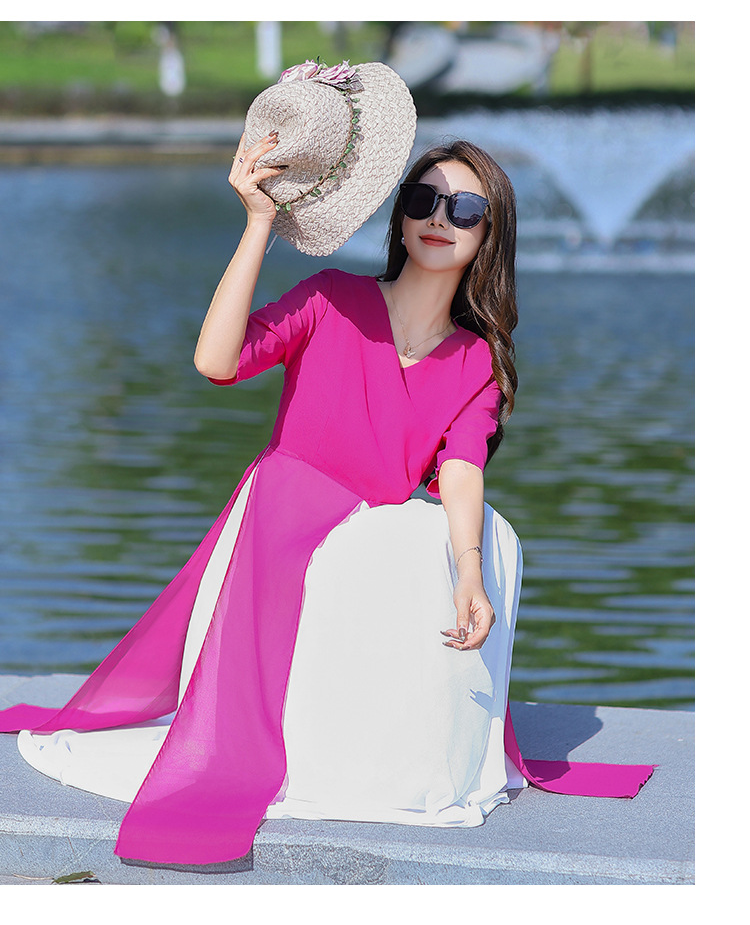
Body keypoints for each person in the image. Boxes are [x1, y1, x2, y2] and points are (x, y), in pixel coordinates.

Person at [0, 61, 654, 868]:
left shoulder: (477, 360)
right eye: (422, 201)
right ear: (399, 217)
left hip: (375, 520)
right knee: (280, 530)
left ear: (491, 234)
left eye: (465, 209)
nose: (439, 218)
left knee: (472, 538)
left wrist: (468, 569)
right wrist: (258, 225)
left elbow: (461, 467)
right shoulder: (329, 300)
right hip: (283, 508)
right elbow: (216, 362)